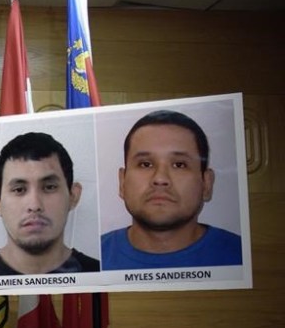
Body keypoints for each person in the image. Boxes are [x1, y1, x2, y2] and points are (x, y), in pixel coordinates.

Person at [101, 109, 243, 269]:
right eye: (145, 164)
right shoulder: (91, 261)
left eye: (179, 165)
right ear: (122, 181)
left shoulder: (244, 258)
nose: (160, 179)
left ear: (206, 183)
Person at [0, 132, 99, 276]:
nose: (34, 205)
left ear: (73, 196)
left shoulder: (99, 274)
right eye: (19, 189)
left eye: (49, 187)